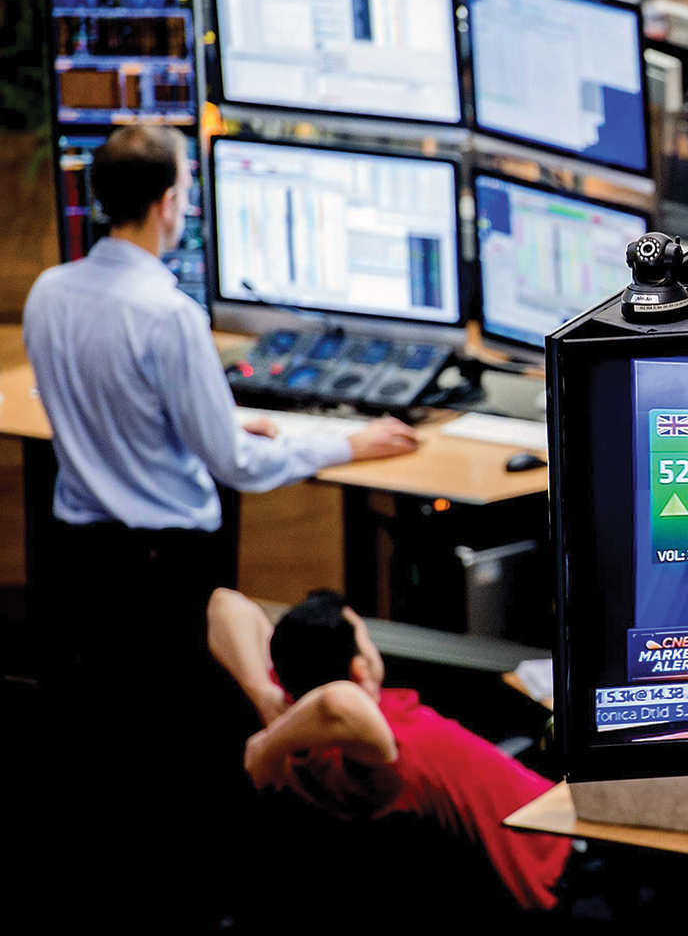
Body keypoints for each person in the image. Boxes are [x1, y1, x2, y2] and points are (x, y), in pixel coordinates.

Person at [24, 124, 417, 694]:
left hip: (83, 560)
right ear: (167, 204)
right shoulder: (169, 315)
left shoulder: (48, 293)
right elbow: (238, 466)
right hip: (165, 572)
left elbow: (115, 403)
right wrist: (348, 444)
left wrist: (216, 419)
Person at [207, 588, 571, 912]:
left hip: (552, 809)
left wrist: (267, 702)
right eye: (366, 638)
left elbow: (225, 603)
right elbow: (340, 704)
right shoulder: (356, 757)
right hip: (555, 856)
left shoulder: (290, 706)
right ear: (359, 666)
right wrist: (268, 745)